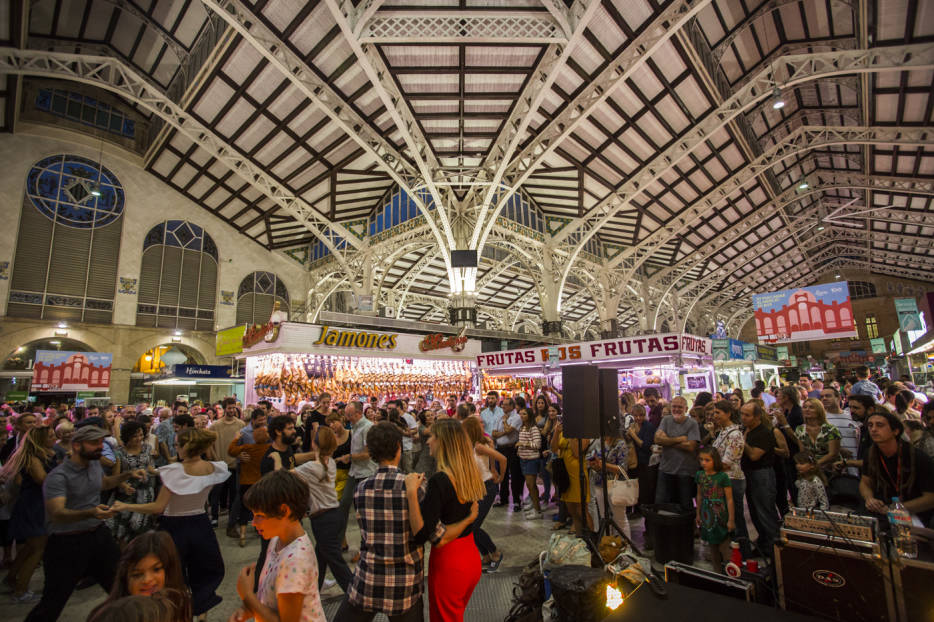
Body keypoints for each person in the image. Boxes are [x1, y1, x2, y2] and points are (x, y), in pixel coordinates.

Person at [334, 422, 475, 622]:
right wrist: (469, 519)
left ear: (372, 453)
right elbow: (437, 535)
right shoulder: (417, 486)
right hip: (405, 584)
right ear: (399, 448)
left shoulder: (361, 489)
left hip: (368, 577)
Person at [24, 426, 145, 622]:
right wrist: (90, 512)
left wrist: (127, 475)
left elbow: (103, 484)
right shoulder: (58, 477)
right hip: (67, 544)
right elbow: (57, 514)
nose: (100, 447)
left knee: (122, 588)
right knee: (53, 602)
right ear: (77, 445)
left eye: (101, 442)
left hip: (98, 536)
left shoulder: (94, 465)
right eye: (94, 443)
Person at [110, 428, 229, 620]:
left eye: (176, 445)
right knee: (203, 570)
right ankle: (202, 612)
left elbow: (158, 507)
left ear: (184, 447)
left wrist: (125, 505)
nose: (175, 448)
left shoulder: (174, 472)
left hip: (175, 527)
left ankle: (177, 613)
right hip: (201, 524)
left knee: (173, 575)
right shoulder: (212, 468)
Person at [406, 418, 484, 622]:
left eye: (431, 436)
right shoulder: (468, 473)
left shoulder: (440, 481)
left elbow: (423, 534)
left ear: (443, 441)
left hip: (450, 564)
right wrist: (468, 521)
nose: (428, 441)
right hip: (470, 557)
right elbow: (467, 515)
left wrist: (411, 494)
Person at [229, 470, 326, 622]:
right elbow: (270, 601)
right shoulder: (277, 540)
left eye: (259, 516)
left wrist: (247, 595)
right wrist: (247, 610)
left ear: (284, 510)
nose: (253, 523)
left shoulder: (296, 561)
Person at [0, 426, 56, 602]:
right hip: (33, 506)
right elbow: (42, 480)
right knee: (37, 549)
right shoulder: (33, 459)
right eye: (51, 436)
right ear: (41, 440)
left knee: (30, 548)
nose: (55, 438)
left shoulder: (46, 454)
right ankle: (20, 590)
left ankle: (11, 579)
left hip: (39, 505)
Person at [295, 426, 353, 593]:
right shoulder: (331, 463)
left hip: (323, 520)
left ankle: (355, 596)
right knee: (320, 558)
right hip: (334, 516)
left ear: (314, 444)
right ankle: (314, 589)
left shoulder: (312, 467)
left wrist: (278, 461)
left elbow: (284, 474)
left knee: (336, 563)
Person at [87, 531, 191, 620]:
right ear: (125, 579)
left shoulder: (179, 602)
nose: (147, 580)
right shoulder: (115, 617)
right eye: (137, 575)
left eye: (156, 569)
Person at [859, 410, 934, 525]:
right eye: (870, 425)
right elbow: (865, 482)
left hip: (914, 513)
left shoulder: (917, 457)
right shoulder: (871, 453)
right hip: (883, 510)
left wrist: (897, 509)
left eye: (880, 425)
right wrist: (869, 498)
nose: (873, 429)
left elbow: (930, 498)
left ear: (895, 431)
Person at [461, 416, 506, 572]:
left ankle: (495, 553)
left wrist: (499, 476)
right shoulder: (473, 445)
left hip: (487, 488)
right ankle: (485, 556)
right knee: (471, 525)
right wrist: (492, 468)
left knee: (473, 526)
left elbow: (502, 459)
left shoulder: (480, 446)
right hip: (478, 488)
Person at [107, 421, 159, 544]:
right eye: (135, 436)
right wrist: (124, 485)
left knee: (141, 526)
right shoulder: (119, 452)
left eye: (141, 435)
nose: (139, 438)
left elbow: (150, 467)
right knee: (125, 527)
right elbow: (116, 475)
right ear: (127, 436)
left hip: (145, 492)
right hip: (127, 493)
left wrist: (162, 472)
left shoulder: (147, 448)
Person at [740, 401, 779, 556]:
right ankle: (764, 543)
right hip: (749, 473)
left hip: (762, 474)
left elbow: (755, 455)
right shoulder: (746, 430)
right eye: (742, 414)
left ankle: (775, 547)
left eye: (747, 415)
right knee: (755, 511)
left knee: (765, 511)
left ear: (757, 416)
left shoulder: (764, 432)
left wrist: (741, 442)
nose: (743, 418)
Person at [337, 402, 377, 557]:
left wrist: (350, 457)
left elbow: (368, 454)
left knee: (364, 512)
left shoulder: (367, 427)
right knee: (343, 504)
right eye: (346, 415)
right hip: (354, 472)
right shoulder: (353, 427)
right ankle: (341, 541)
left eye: (350, 415)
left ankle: (365, 547)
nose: (347, 418)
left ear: (359, 413)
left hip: (366, 473)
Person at [709, 400, 748, 546]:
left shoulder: (735, 434)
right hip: (721, 479)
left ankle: (743, 552)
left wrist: (709, 466)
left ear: (728, 413)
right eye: (714, 412)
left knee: (735, 517)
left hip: (731, 479)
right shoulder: (722, 431)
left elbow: (727, 461)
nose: (715, 416)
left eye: (718, 413)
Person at [654, 396, 700, 512]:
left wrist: (667, 441)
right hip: (665, 469)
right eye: (674, 406)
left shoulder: (692, 423)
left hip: (685, 471)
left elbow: (691, 446)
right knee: (661, 504)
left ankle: (688, 529)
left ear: (686, 408)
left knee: (685, 505)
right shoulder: (666, 420)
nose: (676, 409)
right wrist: (680, 439)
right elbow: (657, 439)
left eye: (680, 407)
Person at [695, 447, 734, 573]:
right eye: (701, 460)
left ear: (715, 461)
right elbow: (699, 495)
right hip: (707, 514)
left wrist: (731, 519)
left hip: (720, 513)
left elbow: (729, 499)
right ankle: (718, 572)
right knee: (712, 546)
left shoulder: (722, 477)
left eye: (707, 460)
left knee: (724, 545)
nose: (703, 463)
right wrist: (698, 514)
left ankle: (731, 571)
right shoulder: (700, 475)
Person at [209, 399, 244, 534]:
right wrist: (215, 459)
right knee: (216, 494)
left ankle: (232, 518)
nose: (231, 410)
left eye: (233, 408)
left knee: (234, 494)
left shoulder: (240, 424)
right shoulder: (215, 426)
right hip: (220, 465)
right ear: (224, 409)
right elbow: (209, 445)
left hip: (235, 466)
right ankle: (214, 517)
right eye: (229, 408)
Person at [586, 432, 631, 539]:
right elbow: (595, 464)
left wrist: (603, 464)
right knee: (603, 517)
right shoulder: (598, 442)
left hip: (616, 485)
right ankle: (609, 545)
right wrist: (594, 465)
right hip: (599, 483)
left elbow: (622, 469)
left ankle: (626, 548)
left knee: (619, 518)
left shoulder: (620, 444)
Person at [552, 419, 591, 536]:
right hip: (565, 474)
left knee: (581, 510)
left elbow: (576, 452)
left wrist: (570, 435)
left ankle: (593, 539)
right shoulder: (563, 432)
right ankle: (580, 538)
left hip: (578, 474)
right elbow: (554, 449)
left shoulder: (583, 434)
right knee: (572, 511)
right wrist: (556, 432)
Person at [790, 399, 841, 471]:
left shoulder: (831, 429)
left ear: (819, 410)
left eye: (811, 407)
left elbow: (833, 454)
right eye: (804, 407)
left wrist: (815, 464)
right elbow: (803, 452)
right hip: (811, 470)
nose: (807, 409)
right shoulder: (800, 429)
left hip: (832, 468)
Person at [516, 408, 543, 519]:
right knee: (529, 485)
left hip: (531, 460)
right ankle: (534, 506)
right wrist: (519, 450)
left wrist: (523, 444)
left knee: (531, 485)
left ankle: (537, 510)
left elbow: (537, 445)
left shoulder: (533, 428)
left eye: (524, 414)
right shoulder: (522, 427)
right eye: (520, 413)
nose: (521, 415)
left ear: (529, 415)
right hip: (523, 459)